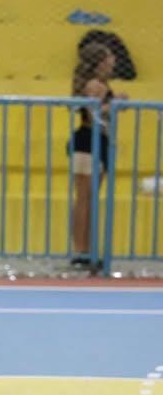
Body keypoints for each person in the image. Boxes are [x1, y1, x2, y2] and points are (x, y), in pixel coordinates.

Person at [69, 42, 125, 269]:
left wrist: (114, 102)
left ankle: (88, 250)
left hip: (98, 140)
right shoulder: (93, 85)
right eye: (111, 58)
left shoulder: (101, 84)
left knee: (89, 199)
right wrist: (114, 104)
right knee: (84, 198)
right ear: (101, 62)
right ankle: (81, 251)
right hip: (87, 141)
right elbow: (94, 113)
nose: (113, 63)